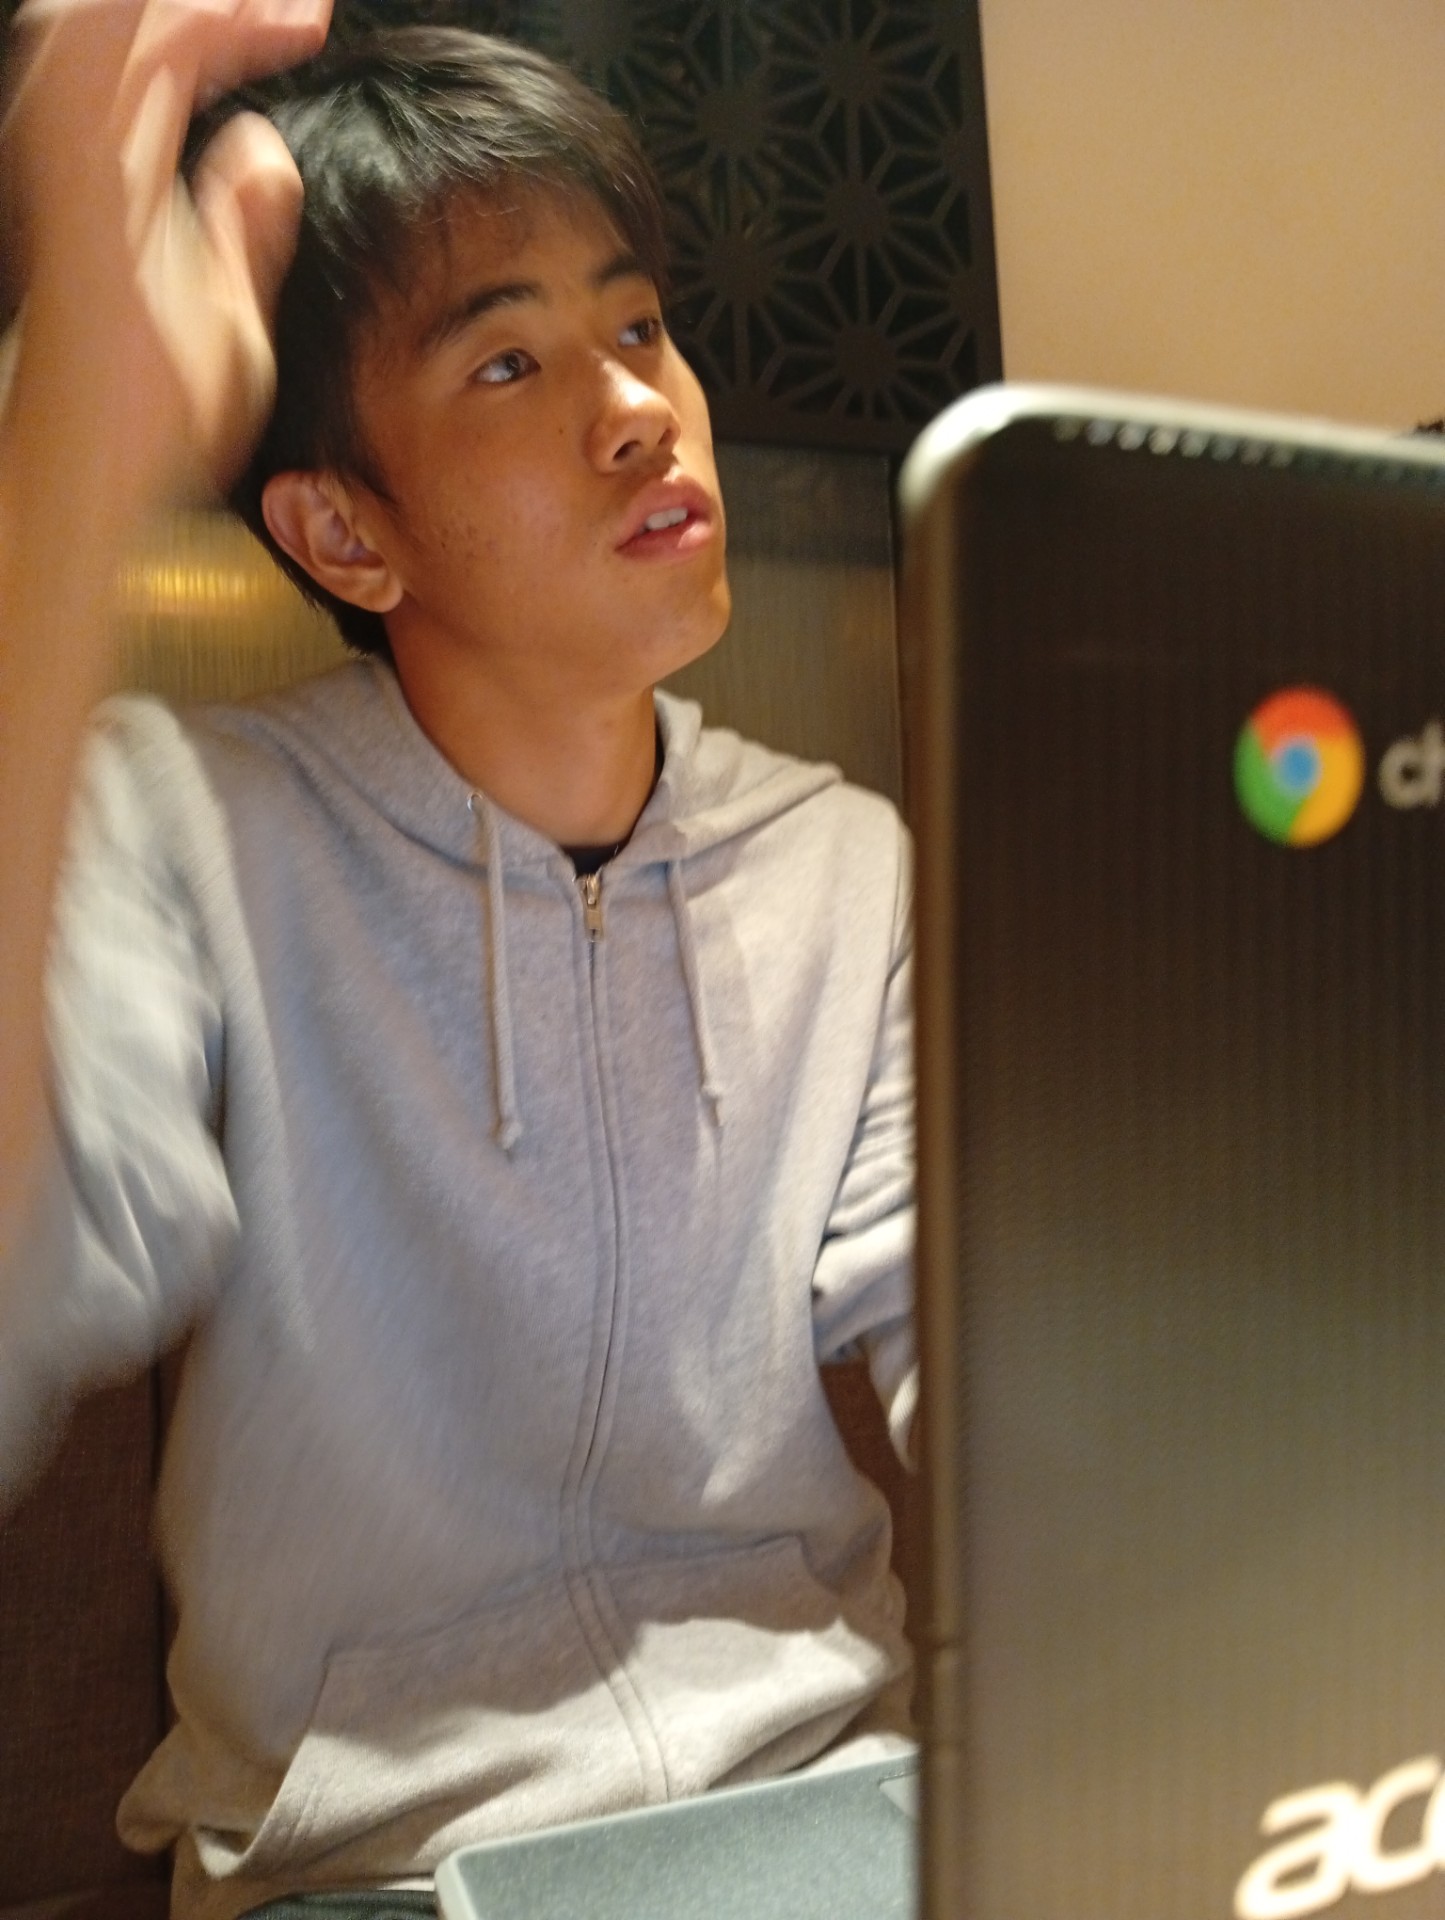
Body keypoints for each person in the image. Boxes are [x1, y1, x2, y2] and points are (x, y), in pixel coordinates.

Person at [0, 8, 916, 1919]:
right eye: (509, 356)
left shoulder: (843, 863)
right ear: (345, 531)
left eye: (638, 323)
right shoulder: (195, 833)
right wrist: (65, 470)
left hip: (829, 1813)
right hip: (374, 1871)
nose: (638, 405)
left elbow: (995, 1375)